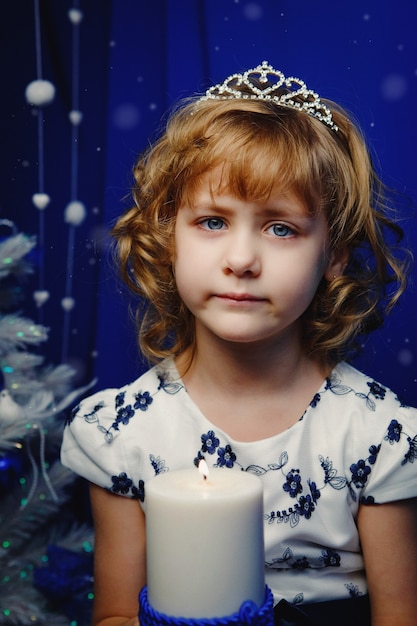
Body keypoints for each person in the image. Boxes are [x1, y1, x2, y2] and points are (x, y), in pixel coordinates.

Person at [61, 61, 417, 626]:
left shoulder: (379, 435)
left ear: (334, 257)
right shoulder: (122, 434)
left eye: (282, 228)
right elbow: (115, 615)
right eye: (212, 222)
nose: (242, 261)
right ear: (168, 236)